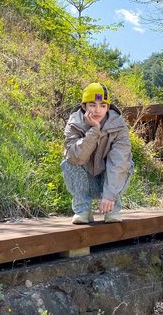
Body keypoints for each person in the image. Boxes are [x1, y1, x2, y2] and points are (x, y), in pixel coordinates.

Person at [61, 82, 134, 224]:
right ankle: (83, 210)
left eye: (103, 106)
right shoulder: (74, 124)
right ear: (84, 106)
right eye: (92, 105)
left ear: (108, 107)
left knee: (127, 163)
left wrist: (109, 195)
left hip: (109, 180)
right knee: (68, 162)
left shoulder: (119, 126)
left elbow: (119, 162)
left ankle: (112, 210)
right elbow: (76, 157)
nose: (97, 110)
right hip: (87, 180)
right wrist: (94, 131)